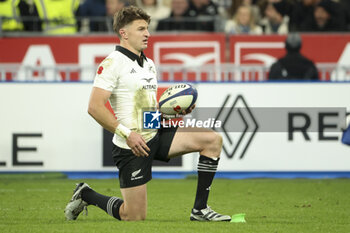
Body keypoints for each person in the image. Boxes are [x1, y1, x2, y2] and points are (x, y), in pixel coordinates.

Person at [64, 6, 231, 222]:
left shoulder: (149, 64)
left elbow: (146, 112)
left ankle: (200, 210)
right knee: (133, 216)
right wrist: (128, 134)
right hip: (131, 145)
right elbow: (94, 107)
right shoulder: (112, 63)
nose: (147, 34)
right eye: (141, 28)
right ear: (123, 33)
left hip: (154, 133)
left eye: (147, 28)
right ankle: (86, 194)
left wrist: (171, 114)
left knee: (212, 140)